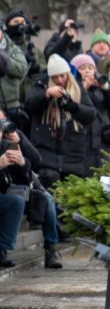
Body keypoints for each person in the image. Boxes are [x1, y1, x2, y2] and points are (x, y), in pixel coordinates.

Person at [0, 110, 62, 268]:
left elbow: (35, 161)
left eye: (3, 121)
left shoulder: (12, 138)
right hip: (6, 193)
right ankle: (2, 251)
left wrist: (20, 150)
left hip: (18, 188)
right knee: (16, 202)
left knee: (46, 199)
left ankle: (51, 249)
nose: (3, 126)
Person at [24, 54, 97, 189]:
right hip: (46, 153)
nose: (59, 80)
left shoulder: (77, 88)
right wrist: (46, 95)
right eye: (55, 77)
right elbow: (29, 106)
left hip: (73, 155)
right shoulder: (39, 86)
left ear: (68, 74)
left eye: (63, 76)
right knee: (49, 183)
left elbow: (91, 114)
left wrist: (72, 106)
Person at [0, 19, 30, 132]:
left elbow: (22, 69)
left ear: (2, 31)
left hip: (11, 106)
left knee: (14, 141)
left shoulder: (12, 49)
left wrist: (5, 62)